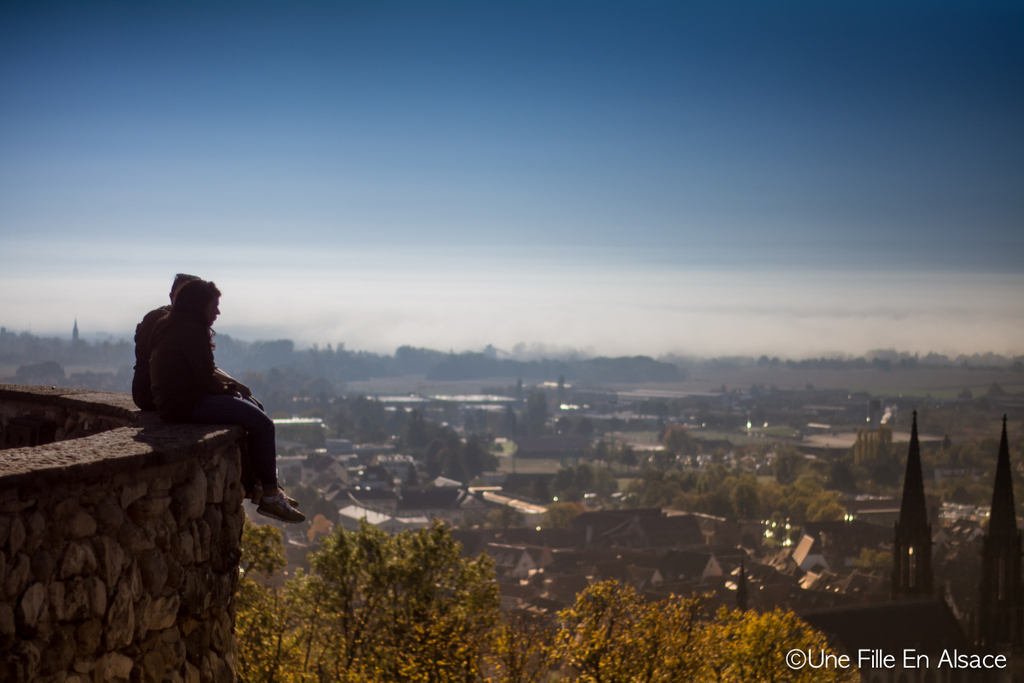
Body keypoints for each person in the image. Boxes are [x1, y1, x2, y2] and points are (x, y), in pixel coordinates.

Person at [149, 279, 304, 523]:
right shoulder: (192, 330)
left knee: (253, 409)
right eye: (214, 306)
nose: (217, 312)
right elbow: (205, 376)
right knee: (263, 423)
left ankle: (264, 487)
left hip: (175, 402)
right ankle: (271, 497)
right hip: (186, 404)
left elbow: (200, 374)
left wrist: (231, 390)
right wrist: (230, 391)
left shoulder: (171, 326)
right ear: (198, 306)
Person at [132, 273, 200, 411]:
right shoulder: (163, 323)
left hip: (150, 394)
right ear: (171, 297)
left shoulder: (171, 320)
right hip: (155, 396)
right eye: (183, 296)